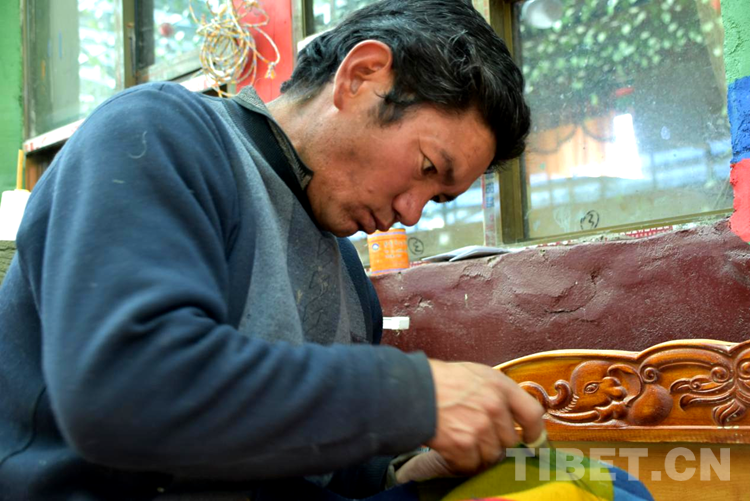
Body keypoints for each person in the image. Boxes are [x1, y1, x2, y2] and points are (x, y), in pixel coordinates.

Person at [0, 1, 544, 499]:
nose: (412, 212)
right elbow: (126, 390)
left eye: (438, 198)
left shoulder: (350, 280)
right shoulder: (158, 134)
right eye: (427, 167)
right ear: (361, 76)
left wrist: (397, 474)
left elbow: (316, 463)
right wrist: (410, 397)